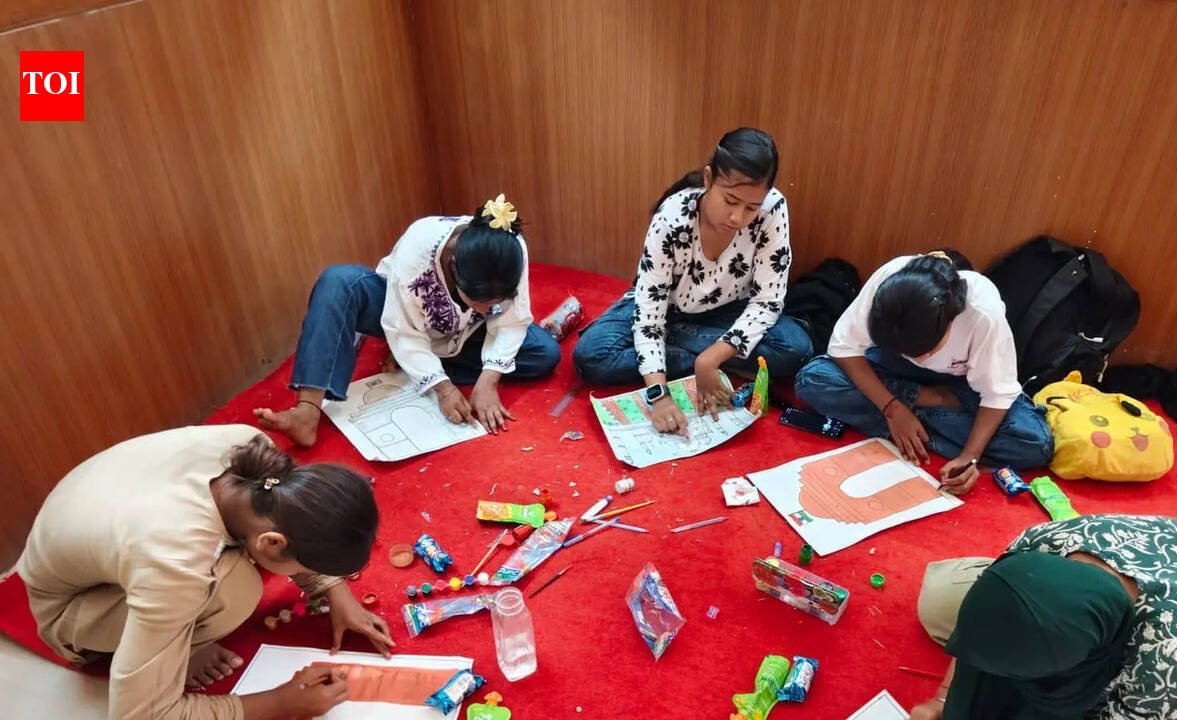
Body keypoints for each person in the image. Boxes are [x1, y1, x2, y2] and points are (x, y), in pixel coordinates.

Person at [17, 424, 390, 719]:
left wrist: (332, 589)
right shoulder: (178, 559)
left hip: (102, 531)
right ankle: (183, 641)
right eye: (308, 568)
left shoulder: (252, 448)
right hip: (69, 608)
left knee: (224, 572)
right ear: (272, 543)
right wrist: (279, 703)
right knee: (237, 589)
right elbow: (140, 714)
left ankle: (173, 627)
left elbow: (297, 511)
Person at [255, 195, 560, 445]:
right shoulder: (418, 247)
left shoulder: (511, 247)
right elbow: (403, 329)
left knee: (543, 353)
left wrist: (488, 381)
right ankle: (307, 411)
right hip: (401, 316)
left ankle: (416, 365)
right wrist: (443, 388)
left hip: (467, 331)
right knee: (339, 281)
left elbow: (512, 320)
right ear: (453, 266)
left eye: (494, 302)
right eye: (478, 300)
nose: (487, 308)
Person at [908, 514, 1177, 720]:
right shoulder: (1042, 542)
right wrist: (942, 699)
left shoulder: (1173, 654)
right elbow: (984, 632)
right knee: (940, 603)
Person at [572, 127, 812, 434]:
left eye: (751, 207)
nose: (738, 217)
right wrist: (659, 395)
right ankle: (711, 356)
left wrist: (710, 360)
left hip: (726, 313)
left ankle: (690, 353)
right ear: (709, 179)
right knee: (592, 357)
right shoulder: (672, 218)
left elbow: (767, 301)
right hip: (668, 307)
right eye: (730, 200)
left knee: (796, 349)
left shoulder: (773, 208)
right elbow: (650, 314)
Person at [794, 252, 1052, 492]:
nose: (918, 358)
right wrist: (892, 408)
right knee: (814, 378)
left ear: (950, 319)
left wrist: (969, 456)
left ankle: (915, 424)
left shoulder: (981, 312)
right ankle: (930, 404)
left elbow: (996, 394)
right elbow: (843, 348)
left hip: (961, 385)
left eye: (925, 350)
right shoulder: (888, 284)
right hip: (894, 370)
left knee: (1034, 443)